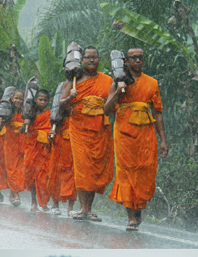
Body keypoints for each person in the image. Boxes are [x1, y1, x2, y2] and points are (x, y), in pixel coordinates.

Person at [104, 48, 168, 231]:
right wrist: (118, 91)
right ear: (126, 61)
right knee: (126, 172)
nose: (138, 60)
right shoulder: (118, 81)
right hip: (124, 134)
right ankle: (131, 216)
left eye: (140, 57)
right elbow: (107, 110)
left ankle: (138, 208)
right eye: (134, 58)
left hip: (146, 134)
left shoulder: (152, 83)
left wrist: (163, 140)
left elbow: (157, 112)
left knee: (146, 171)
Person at [61, 46, 114, 221]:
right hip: (79, 129)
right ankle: (83, 208)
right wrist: (71, 97)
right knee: (83, 168)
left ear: (99, 60)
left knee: (95, 169)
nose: (91, 61)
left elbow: (111, 107)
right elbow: (62, 105)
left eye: (95, 57)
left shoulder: (107, 80)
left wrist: (120, 90)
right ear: (81, 60)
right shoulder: (73, 80)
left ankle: (89, 209)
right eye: (88, 58)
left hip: (100, 130)